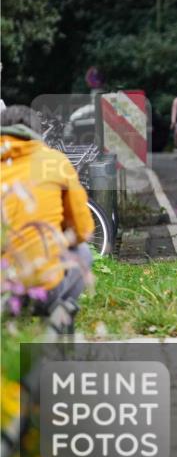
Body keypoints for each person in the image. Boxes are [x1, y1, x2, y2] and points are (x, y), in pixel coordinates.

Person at [0, 105, 95, 332]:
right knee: (82, 253)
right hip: (42, 289)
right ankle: (59, 319)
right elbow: (82, 231)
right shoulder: (55, 161)